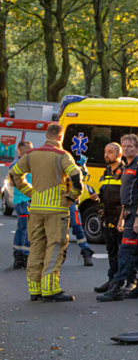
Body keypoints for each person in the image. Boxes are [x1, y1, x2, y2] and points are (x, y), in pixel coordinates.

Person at [8, 123, 83, 301]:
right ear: (60, 137)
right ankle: (50, 289)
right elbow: (75, 176)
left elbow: (14, 173)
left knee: (36, 247)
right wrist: (72, 195)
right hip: (56, 209)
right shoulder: (62, 155)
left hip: (36, 208)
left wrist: (29, 192)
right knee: (55, 246)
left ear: (46, 135)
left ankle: (35, 289)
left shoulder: (31, 155)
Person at [97, 134, 138, 301]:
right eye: (125, 146)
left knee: (125, 250)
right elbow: (126, 195)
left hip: (136, 211)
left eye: (131, 146)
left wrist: (137, 217)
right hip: (128, 211)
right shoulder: (127, 165)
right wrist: (123, 216)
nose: (127, 148)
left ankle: (117, 287)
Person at [94, 143, 137, 294]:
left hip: (121, 217)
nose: (107, 155)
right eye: (105, 152)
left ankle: (131, 281)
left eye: (110, 152)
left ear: (119, 155)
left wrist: (122, 218)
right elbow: (105, 193)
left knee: (125, 251)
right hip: (108, 216)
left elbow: (127, 198)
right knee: (112, 250)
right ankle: (113, 279)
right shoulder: (106, 171)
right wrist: (97, 197)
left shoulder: (125, 171)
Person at [68, 155, 95, 267]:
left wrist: (83, 166)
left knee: (77, 226)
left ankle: (86, 250)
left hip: (70, 202)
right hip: (55, 201)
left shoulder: (71, 168)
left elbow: (83, 175)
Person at [11, 141, 32, 269]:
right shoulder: (19, 164)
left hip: (20, 200)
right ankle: (24, 255)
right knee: (27, 229)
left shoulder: (19, 164)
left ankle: (18, 255)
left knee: (21, 228)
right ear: (21, 151)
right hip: (23, 200)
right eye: (27, 151)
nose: (30, 153)